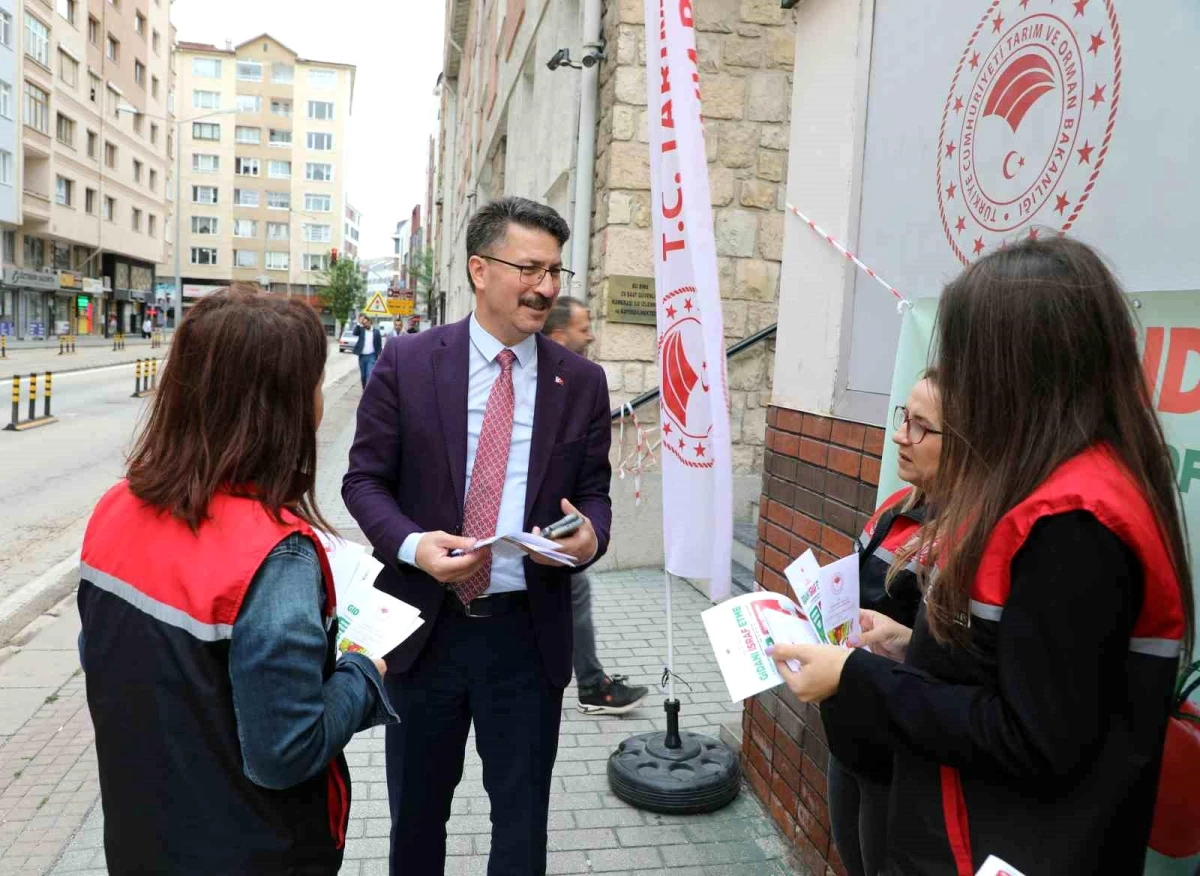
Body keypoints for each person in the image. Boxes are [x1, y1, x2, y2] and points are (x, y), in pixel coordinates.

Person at [770, 237, 1193, 875]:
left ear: (1021, 370)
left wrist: (857, 677)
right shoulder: (1053, 491)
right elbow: (1015, 673)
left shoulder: (1074, 521)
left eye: (969, 361)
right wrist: (909, 648)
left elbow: (1034, 737)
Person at [77, 286, 395, 874]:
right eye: (314, 386)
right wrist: (361, 672)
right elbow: (286, 752)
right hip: (254, 847)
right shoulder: (276, 558)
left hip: (141, 836)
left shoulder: (114, 508)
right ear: (281, 409)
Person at [342, 196, 613, 876]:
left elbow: (595, 495)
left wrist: (590, 537)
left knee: (521, 828)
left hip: (526, 637)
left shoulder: (579, 381)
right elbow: (364, 482)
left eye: (555, 270)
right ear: (479, 269)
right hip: (424, 635)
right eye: (529, 267)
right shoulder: (407, 363)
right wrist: (411, 545)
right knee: (416, 822)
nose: (546, 287)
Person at [825, 373, 939, 876]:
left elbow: (960, 669)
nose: (900, 435)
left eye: (920, 426)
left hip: (898, 758)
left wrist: (908, 641)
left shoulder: (967, 537)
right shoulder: (895, 506)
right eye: (903, 418)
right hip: (846, 734)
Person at [542, 296, 648, 714]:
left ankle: (589, 681)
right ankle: (590, 685)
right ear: (557, 335)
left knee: (576, 589)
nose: (591, 337)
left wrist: (591, 530)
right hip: (533, 535)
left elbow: (594, 482)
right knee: (573, 592)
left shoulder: (583, 385)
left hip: (560, 526)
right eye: (583, 329)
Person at [353, 313, 381, 387]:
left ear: (370, 322)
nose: (365, 325)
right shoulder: (361, 330)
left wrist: (379, 355)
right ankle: (364, 389)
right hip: (362, 356)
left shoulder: (376, 332)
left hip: (372, 356)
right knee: (363, 376)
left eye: (366, 323)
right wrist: (359, 323)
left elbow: (379, 345)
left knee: (369, 374)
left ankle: (367, 392)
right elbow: (354, 333)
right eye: (363, 323)